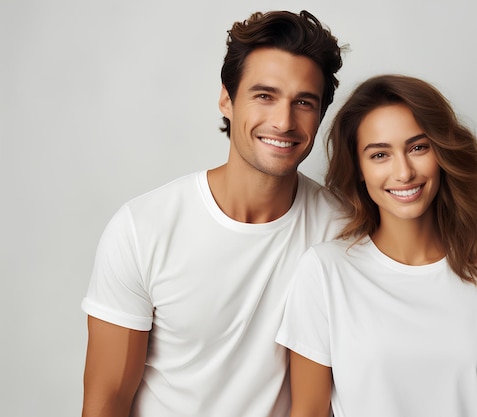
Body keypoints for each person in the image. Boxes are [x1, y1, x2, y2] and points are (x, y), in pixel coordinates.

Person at [81, 10, 345, 417]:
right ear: (227, 99)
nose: (283, 120)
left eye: (304, 102)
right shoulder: (144, 228)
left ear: (321, 114)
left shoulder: (345, 232)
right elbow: (106, 402)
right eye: (265, 95)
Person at [276, 74, 477, 417]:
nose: (403, 172)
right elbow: (308, 412)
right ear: (359, 169)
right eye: (379, 155)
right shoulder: (325, 271)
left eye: (418, 147)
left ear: (442, 151)